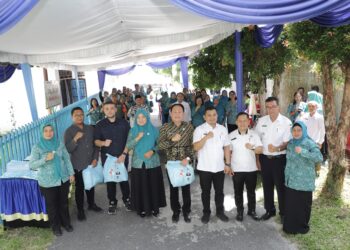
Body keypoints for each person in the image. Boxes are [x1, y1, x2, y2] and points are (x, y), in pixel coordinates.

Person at [29, 123, 75, 236]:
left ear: (54, 131)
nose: (49, 133)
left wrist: (71, 173)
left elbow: (66, 159)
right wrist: (44, 159)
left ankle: (66, 223)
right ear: (42, 132)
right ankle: (56, 227)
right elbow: (32, 165)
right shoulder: (37, 147)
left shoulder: (59, 144)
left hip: (62, 179)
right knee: (52, 206)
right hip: (47, 182)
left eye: (51, 130)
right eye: (46, 131)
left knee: (63, 203)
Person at [255, 97, 292, 222]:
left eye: (273, 106)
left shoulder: (286, 122)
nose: (270, 109)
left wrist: (277, 148)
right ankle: (270, 210)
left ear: (278, 107)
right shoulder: (261, 121)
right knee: (267, 186)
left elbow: (288, 143)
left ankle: (283, 213)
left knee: (281, 187)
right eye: (268, 107)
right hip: (265, 159)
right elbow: (256, 140)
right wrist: (257, 159)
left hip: (279, 160)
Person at [283, 121, 323, 234]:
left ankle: (302, 228)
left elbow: (319, 158)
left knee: (303, 205)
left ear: (304, 131)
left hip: (304, 182)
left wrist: (303, 152)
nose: (296, 133)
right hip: (291, 181)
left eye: (299, 130)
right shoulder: (291, 143)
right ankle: (290, 228)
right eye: (294, 130)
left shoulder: (309, 143)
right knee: (291, 205)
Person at [125, 109, 166, 217]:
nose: (141, 120)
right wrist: (137, 138)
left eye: (143, 117)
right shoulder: (133, 131)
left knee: (153, 185)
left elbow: (161, 144)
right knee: (140, 186)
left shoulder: (154, 130)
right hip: (138, 163)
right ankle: (141, 208)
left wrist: (152, 150)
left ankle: (154, 208)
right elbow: (128, 146)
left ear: (147, 118)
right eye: (139, 117)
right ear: (136, 119)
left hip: (152, 163)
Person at [193, 106, 231, 224]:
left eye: (214, 115)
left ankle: (220, 212)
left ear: (217, 116)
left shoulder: (222, 129)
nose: (212, 117)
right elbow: (196, 147)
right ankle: (206, 212)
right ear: (204, 117)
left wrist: (228, 164)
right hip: (204, 167)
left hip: (219, 167)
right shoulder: (199, 130)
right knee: (206, 192)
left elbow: (226, 147)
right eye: (209, 115)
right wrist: (206, 137)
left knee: (219, 191)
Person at [64, 107, 102, 222]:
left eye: (81, 114)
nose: (79, 117)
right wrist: (75, 139)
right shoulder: (69, 131)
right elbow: (68, 149)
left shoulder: (90, 128)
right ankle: (80, 210)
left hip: (90, 163)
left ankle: (91, 204)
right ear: (72, 117)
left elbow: (95, 145)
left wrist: (95, 158)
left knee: (91, 185)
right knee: (79, 188)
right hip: (78, 165)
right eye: (76, 115)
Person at [158, 104, 194, 223]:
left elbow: (193, 146)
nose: (177, 114)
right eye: (175, 112)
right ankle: (176, 211)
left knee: (186, 188)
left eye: (180, 112)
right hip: (171, 164)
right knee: (173, 189)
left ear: (183, 114)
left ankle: (186, 211)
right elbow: (160, 145)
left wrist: (188, 158)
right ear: (171, 113)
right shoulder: (165, 127)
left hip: (185, 162)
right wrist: (171, 140)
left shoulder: (189, 127)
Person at [94, 100, 131, 215]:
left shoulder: (124, 123)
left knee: (124, 179)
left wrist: (124, 154)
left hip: (122, 157)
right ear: (103, 110)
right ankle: (112, 201)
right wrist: (103, 143)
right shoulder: (100, 125)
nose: (109, 111)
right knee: (110, 181)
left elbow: (130, 140)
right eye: (107, 109)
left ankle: (127, 199)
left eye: (111, 108)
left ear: (115, 109)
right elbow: (96, 141)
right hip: (108, 159)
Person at [228, 112, 263, 221]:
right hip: (236, 169)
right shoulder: (231, 135)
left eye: (245, 120)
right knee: (238, 192)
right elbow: (227, 153)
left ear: (248, 122)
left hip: (251, 169)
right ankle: (240, 212)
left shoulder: (254, 134)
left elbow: (260, 150)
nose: (242, 123)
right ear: (236, 122)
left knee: (251, 192)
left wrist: (252, 148)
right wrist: (228, 166)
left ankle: (252, 211)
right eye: (240, 121)